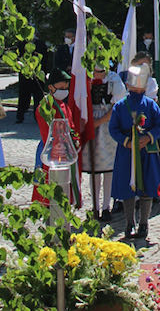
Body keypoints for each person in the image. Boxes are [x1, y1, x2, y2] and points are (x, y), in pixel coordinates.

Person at [108, 55, 160, 241]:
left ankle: (144, 223)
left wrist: (148, 137)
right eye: (134, 84)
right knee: (128, 186)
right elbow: (113, 128)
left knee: (147, 187)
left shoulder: (150, 105)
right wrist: (126, 141)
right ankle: (128, 222)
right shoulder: (119, 106)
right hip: (127, 151)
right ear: (128, 85)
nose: (137, 88)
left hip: (146, 152)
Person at [33, 67, 82, 207]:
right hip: (51, 152)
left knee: (64, 187)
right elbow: (46, 132)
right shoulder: (45, 106)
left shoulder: (65, 106)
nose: (64, 89)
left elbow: (71, 127)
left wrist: (75, 141)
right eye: (61, 86)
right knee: (48, 189)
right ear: (51, 87)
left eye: (66, 86)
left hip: (65, 152)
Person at [82, 64, 126, 219]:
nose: (97, 75)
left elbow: (117, 106)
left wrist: (99, 121)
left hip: (108, 124)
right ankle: (95, 206)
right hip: (90, 121)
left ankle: (107, 205)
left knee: (108, 168)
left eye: (100, 72)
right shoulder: (85, 79)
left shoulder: (114, 80)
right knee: (94, 170)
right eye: (95, 72)